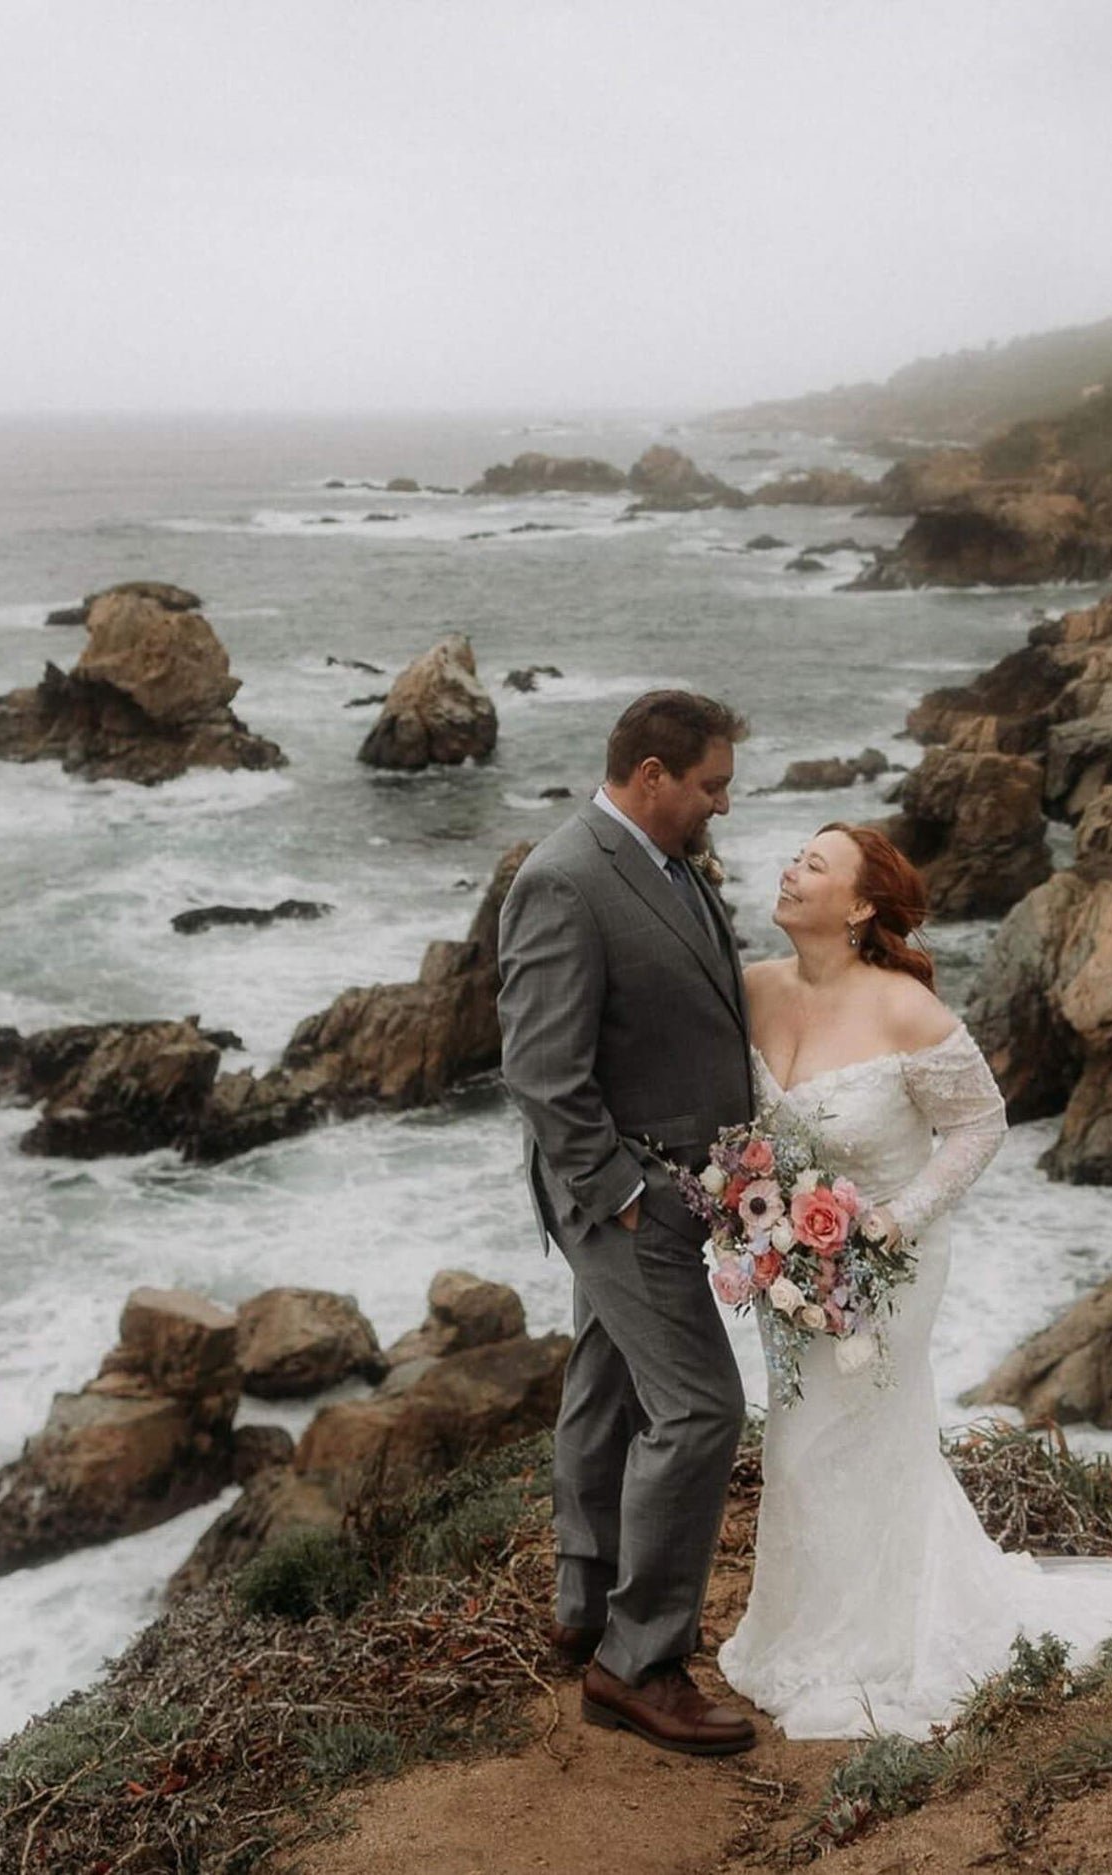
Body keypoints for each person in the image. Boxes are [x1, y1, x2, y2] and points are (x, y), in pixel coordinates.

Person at [718, 822, 1112, 1740]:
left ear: (858, 906)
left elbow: (981, 1124)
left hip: (891, 1265)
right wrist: (751, 1211)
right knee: (796, 1442)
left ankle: (879, 1644)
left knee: (859, 1437)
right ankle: (799, 1630)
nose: (790, 870)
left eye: (814, 864)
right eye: (795, 858)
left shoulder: (905, 1009)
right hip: (798, 1266)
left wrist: (898, 1219)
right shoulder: (755, 988)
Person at [496, 690, 759, 1756]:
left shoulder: (668, 860)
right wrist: (623, 1194)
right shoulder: (564, 879)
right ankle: (639, 1662)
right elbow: (541, 1073)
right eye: (710, 786)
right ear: (652, 776)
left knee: (606, 1386)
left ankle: (585, 1600)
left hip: (676, 1190)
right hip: (626, 1199)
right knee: (700, 1409)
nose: (721, 806)